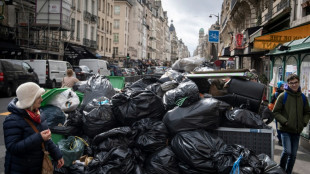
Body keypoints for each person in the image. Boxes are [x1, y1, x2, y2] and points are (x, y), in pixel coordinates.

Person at [3, 82, 64, 173]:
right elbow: (13, 147)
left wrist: (57, 155)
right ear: (30, 100)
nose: (41, 99)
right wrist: (39, 137)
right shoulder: (12, 120)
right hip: (20, 169)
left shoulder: (39, 114)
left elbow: (46, 139)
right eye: (38, 97)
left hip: (37, 166)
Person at [273, 74, 310, 174]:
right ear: (288, 84)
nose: (294, 85)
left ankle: (288, 172)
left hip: (297, 130)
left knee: (293, 155)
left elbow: (307, 112)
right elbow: (275, 112)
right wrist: (285, 121)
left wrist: (304, 122)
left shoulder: (303, 97)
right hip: (285, 129)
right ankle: (281, 170)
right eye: (291, 83)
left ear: (299, 82)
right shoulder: (282, 96)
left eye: (295, 82)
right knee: (287, 151)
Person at [269, 80, 286, 146]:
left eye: (283, 86)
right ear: (279, 86)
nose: (283, 87)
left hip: (284, 113)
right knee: (279, 127)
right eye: (282, 86)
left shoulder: (285, 93)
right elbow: (271, 103)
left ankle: (282, 139)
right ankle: (280, 139)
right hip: (278, 113)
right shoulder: (276, 94)